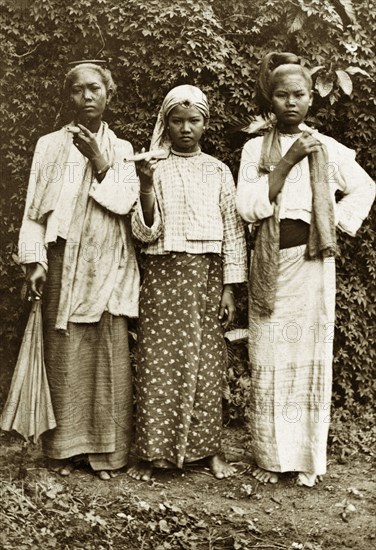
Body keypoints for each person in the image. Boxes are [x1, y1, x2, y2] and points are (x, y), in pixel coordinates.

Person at [236, 52, 375, 487]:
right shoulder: (255, 148)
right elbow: (247, 206)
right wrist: (288, 158)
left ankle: (305, 459)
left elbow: (366, 187)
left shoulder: (326, 147)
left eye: (299, 94)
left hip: (313, 265)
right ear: (269, 98)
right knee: (269, 356)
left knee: (307, 358)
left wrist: (329, 220)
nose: (290, 102)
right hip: (270, 262)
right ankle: (271, 456)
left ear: (312, 98)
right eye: (282, 95)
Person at [18, 61, 140, 480]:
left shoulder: (122, 148)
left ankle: (105, 453)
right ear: (67, 96)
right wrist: (34, 260)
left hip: (108, 262)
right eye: (77, 90)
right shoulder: (48, 145)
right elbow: (35, 208)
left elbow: (125, 203)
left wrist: (99, 158)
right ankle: (65, 449)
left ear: (109, 93)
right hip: (62, 260)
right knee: (64, 352)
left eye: (95, 88)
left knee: (107, 352)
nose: (86, 97)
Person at [129, 84, 247, 481]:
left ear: (205, 124)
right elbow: (145, 233)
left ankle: (208, 451)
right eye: (176, 121)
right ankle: (151, 454)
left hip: (207, 277)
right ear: (166, 123)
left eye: (193, 120)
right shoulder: (153, 167)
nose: (185, 128)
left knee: (206, 365)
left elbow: (232, 232)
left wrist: (230, 287)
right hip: (163, 276)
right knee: (156, 363)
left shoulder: (218, 170)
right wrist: (145, 184)